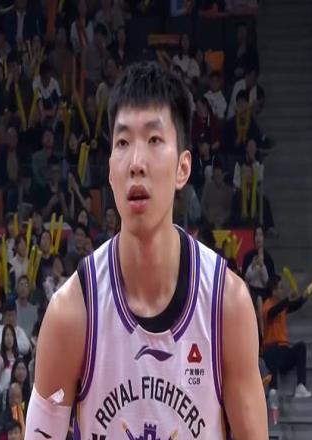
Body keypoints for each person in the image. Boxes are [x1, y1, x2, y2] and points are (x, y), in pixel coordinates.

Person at [26, 62, 267, 439]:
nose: (136, 163)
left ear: (183, 168)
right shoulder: (71, 313)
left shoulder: (227, 305)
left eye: (154, 140)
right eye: (123, 143)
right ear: (110, 170)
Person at [262, 276, 312, 413]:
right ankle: (273, 390)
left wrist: (303, 298)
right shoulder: (267, 306)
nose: (282, 290)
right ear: (273, 291)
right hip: (272, 352)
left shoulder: (282, 305)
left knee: (301, 347)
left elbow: (292, 306)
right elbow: (273, 312)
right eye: (280, 288)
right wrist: (287, 300)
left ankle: (300, 386)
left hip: (283, 352)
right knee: (273, 350)